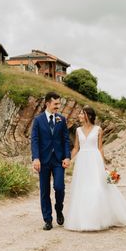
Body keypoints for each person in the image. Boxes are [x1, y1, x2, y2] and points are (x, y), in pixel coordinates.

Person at [64, 106, 126, 231]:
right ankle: (84, 220)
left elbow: (100, 148)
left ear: (89, 116)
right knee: (82, 187)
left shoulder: (98, 129)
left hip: (95, 160)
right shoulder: (78, 130)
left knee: (98, 187)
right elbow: (76, 147)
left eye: (82, 114)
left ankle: (99, 219)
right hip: (82, 161)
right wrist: (69, 160)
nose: (79, 116)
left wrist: (103, 164)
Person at [31, 91, 72, 231]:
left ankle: (59, 209)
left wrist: (67, 156)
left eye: (59, 104)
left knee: (59, 187)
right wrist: (36, 158)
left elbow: (66, 140)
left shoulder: (62, 119)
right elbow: (35, 141)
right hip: (43, 161)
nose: (58, 107)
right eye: (55, 104)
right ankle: (47, 220)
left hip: (59, 160)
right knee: (44, 191)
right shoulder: (38, 120)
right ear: (47, 103)